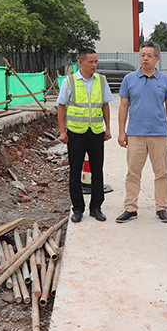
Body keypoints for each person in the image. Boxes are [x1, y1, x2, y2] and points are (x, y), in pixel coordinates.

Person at [116, 41, 167, 224]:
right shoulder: (129, 79)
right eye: (142, 55)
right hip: (135, 133)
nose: (145, 58)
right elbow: (123, 106)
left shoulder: (165, 80)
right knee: (133, 173)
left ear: (157, 58)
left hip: (159, 133)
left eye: (149, 55)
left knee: (161, 173)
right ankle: (130, 208)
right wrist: (122, 132)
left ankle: (161, 208)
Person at [57, 48, 113, 223]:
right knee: (75, 172)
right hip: (76, 133)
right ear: (81, 62)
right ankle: (78, 208)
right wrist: (62, 131)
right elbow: (61, 106)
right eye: (91, 62)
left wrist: (108, 128)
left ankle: (96, 207)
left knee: (97, 171)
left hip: (96, 132)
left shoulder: (101, 80)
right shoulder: (69, 81)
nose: (94, 65)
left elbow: (105, 105)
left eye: (96, 61)